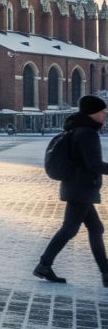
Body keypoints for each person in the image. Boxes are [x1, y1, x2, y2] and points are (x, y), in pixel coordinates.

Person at [34, 95, 108, 286]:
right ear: (93, 113)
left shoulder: (77, 129)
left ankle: (106, 272)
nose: (105, 114)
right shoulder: (88, 133)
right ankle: (44, 265)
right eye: (102, 111)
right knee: (69, 229)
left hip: (76, 187)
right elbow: (93, 164)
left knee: (95, 228)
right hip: (81, 189)